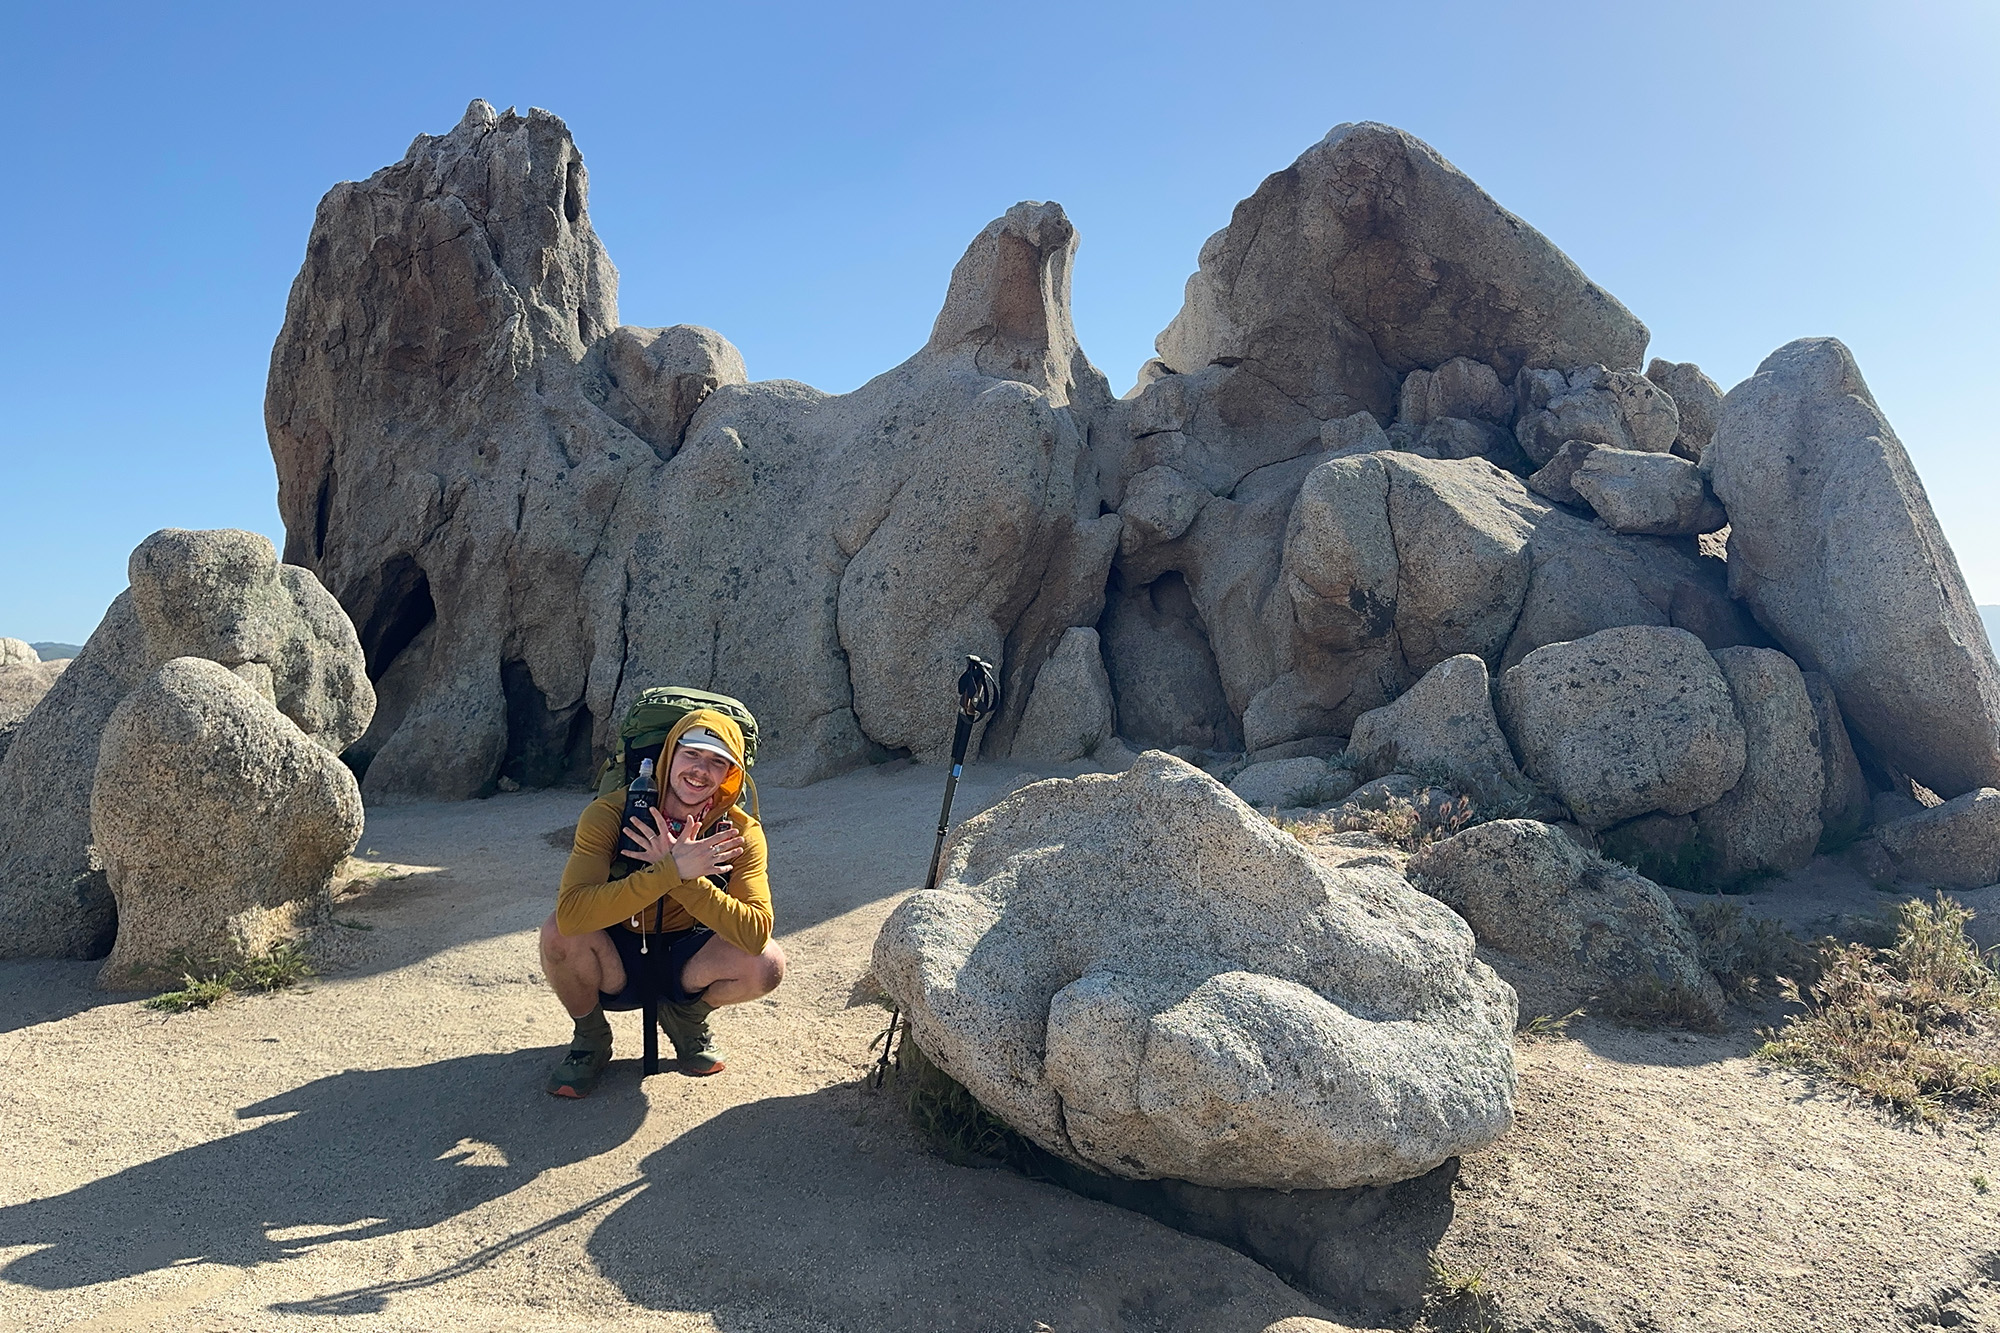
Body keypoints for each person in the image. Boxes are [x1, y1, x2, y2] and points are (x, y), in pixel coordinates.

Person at [538, 708, 785, 1097]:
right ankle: (590, 1039)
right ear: (670, 755)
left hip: (686, 956)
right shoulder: (610, 814)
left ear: (730, 775)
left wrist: (684, 877)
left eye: (717, 762)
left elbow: (755, 934)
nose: (700, 770)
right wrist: (669, 872)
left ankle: (685, 1017)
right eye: (691, 754)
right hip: (616, 953)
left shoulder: (739, 832)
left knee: (766, 965)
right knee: (557, 934)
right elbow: (572, 913)